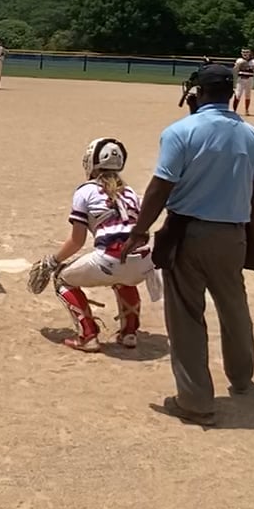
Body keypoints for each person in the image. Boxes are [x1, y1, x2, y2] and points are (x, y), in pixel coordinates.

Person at [132, 63, 254, 426]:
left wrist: (139, 231)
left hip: (188, 234)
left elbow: (161, 187)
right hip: (233, 234)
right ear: (232, 93)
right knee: (234, 306)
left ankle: (195, 401)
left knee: (187, 315)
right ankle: (242, 378)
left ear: (199, 93)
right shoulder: (252, 136)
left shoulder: (181, 131)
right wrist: (252, 239)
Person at [32, 138, 152, 352]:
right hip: (143, 262)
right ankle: (129, 333)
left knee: (62, 278)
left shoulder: (85, 191)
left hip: (110, 260)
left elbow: (77, 241)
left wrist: (52, 261)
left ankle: (88, 336)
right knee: (125, 276)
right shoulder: (130, 192)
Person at [232, 48, 254, 114]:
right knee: (238, 94)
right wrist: (238, 65)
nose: (245, 54)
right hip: (241, 78)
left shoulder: (252, 61)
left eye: (247, 52)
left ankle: (246, 110)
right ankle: (234, 110)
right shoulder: (239, 60)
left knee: (248, 94)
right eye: (244, 52)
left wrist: (250, 66)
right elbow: (235, 70)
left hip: (249, 78)